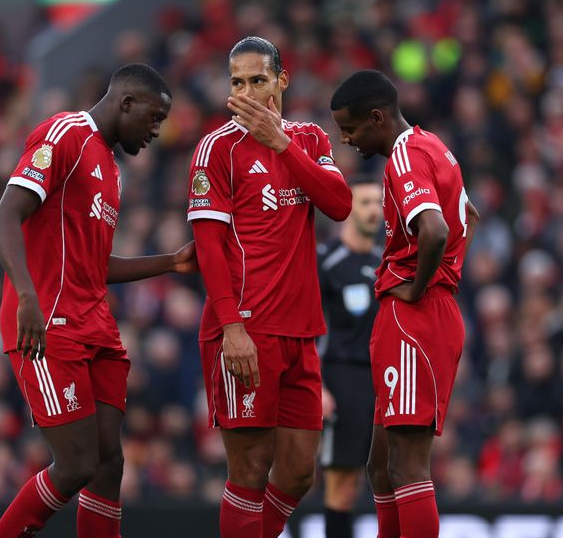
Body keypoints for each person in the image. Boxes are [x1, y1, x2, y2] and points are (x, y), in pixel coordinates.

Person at [0, 63, 197, 538]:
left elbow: (95, 265)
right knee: (77, 464)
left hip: (95, 325)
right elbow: (5, 217)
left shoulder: (111, 170)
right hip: (48, 324)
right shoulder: (65, 135)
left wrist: (170, 262)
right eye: (154, 118)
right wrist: (26, 297)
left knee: (109, 462)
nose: (156, 131)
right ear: (126, 103)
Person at [187, 36, 352, 538]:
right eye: (237, 83)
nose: (247, 92)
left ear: (282, 80)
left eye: (257, 80)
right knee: (250, 470)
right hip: (246, 330)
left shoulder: (309, 139)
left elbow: (339, 205)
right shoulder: (217, 148)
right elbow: (208, 248)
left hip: (301, 331)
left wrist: (281, 143)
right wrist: (231, 328)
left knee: (301, 471)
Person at [329, 70, 480, 538]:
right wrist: (445, 276)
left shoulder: (404, 156)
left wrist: (420, 287)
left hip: (416, 314)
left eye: (351, 128)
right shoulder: (433, 145)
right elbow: (469, 217)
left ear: (377, 117)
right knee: (380, 465)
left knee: (408, 468)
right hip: (422, 313)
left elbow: (434, 229)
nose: (348, 140)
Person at [317, 174, 384, 538]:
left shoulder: (384, 261)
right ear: (347, 209)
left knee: (375, 483)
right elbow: (310, 329)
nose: (374, 211)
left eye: (379, 203)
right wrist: (319, 386)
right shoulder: (325, 262)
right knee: (340, 482)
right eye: (365, 203)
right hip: (340, 379)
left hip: (380, 382)